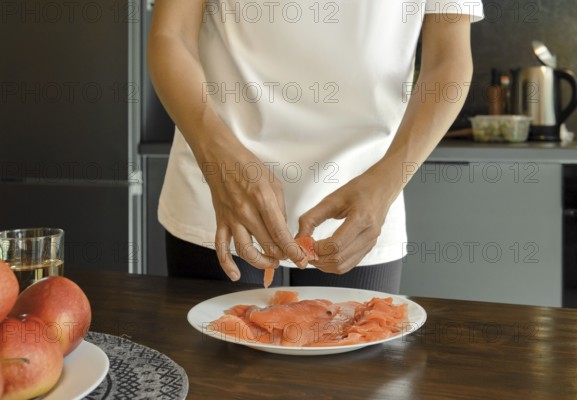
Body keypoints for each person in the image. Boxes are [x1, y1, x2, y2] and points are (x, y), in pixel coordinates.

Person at [147, 0, 484, 293]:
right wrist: (215, 155)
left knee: (354, 366)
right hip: (220, 189)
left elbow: (447, 61)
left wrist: (387, 183)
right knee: (216, 366)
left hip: (363, 198)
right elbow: (171, 34)